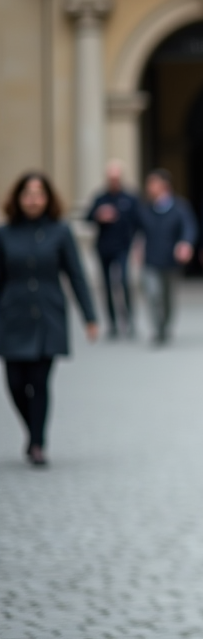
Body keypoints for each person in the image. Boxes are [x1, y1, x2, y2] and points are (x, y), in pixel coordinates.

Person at [0, 172, 98, 466]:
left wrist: (90, 317)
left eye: (39, 194)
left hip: (48, 315)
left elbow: (76, 275)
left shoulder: (60, 232)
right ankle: (32, 430)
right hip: (13, 315)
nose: (33, 200)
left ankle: (37, 442)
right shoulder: (5, 234)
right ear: (18, 198)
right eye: (28, 194)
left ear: (47, 199)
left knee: (39, 381)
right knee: (15, 382)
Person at [137, 169, 196, 346]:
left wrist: (185, 244)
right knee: (153, 294)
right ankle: (158, 329)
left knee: (168, 296)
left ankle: (166, 324)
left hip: (171, 260)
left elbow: (188, 227)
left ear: (164, 185)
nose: (149, 187)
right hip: (150, 259)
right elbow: (136, 230)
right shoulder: (145, 208)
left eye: (153, 183)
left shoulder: (179, 207)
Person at [86, 160, 140, 338]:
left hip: (123, 247)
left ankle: (129, 320)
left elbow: (138, 221)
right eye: (111, 179)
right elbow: (87, 217)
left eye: (116, 178)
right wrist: (98, 215)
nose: (114, 181)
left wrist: (137, 244)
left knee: (123, 282)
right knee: (107, 286)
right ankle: (112, 323)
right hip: (103, 248)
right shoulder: (100, 198)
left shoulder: (130, 198)